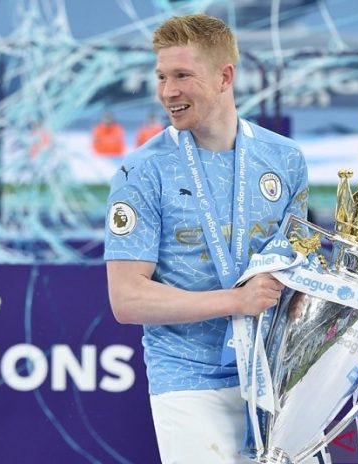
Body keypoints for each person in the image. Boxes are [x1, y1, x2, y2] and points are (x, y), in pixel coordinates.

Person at [104, 14, 309, 464]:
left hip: (275, 378)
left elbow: (297, 269)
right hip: (188, 378)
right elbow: (127, 298)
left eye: (182, 76)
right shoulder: (140, 172)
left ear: (225, 76)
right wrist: (234, 300)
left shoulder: (286, 160)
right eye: (161, 77)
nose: (167, 92)